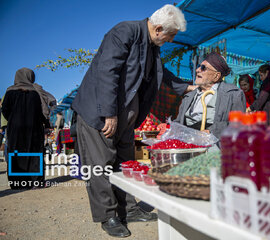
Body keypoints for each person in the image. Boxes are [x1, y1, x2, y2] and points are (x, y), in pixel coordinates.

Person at [71, 4, 195, 238]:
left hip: (125, 117)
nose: (170, 40)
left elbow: (162, 75)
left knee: (125, 162)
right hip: (101, 113)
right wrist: (109, 113)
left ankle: (129, 208)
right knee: (100, 164)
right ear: (158, 29)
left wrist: (186, 86)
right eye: (170, 36)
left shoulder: (152, 48)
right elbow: (107, 71)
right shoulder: (124, 32)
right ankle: (108, 215)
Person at [174, 52, 246, 139]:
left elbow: (239, 125)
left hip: (215, 147)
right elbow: (179, 122)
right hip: (188, 144)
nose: (197, 70)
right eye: (199, 66)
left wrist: (211, 132)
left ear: (216, 76)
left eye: (203, 68)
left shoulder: (233, 94)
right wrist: (169, 127)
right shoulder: (188, 97)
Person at [2, 68, 53, 189]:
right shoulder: (36, 91)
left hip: (15, 128)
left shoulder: (9, 92)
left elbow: (4, 110)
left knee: (15, 152)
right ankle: (36, 181)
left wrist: (14, 119)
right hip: (34, 127)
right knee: (35, 152)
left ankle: (17, 183)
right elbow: (45, 109)